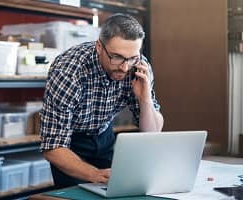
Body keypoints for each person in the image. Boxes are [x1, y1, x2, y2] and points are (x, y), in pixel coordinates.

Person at [39, 13, 164, 188]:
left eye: (132, 58)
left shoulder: (138, 66)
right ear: (99, 47)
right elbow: (52, 147)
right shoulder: (69, 71)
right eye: (117, 57)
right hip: (70, 144)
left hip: (104, 135)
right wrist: (95, 174)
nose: (125, 67)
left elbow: (152, 132)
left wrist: (145, 99)